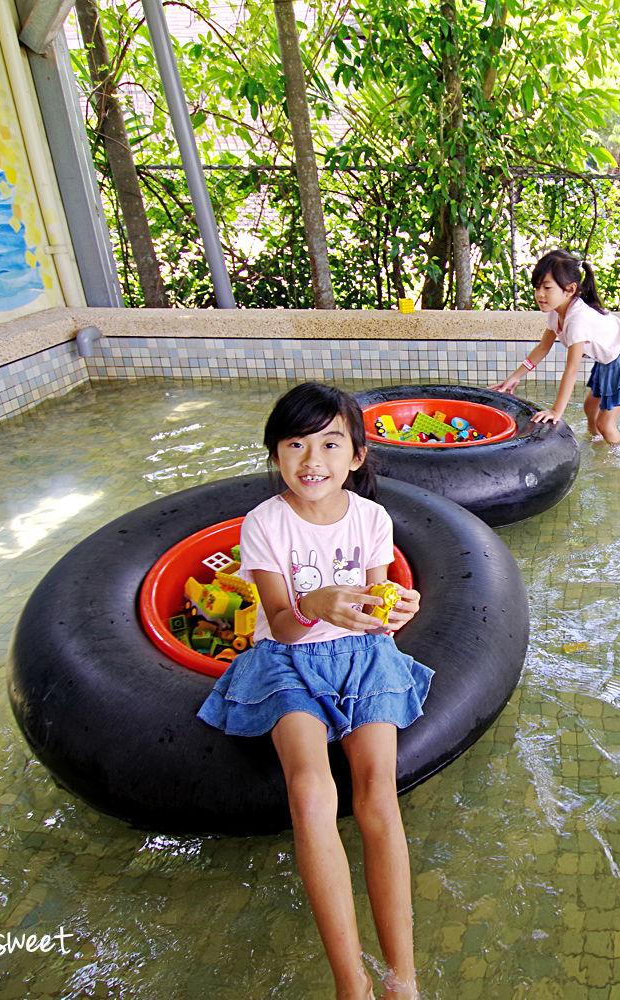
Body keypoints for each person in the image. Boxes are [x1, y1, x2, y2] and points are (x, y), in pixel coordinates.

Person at [197, 382, 431, 1000]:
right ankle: (349, 982)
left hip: (362, 657)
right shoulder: (264, 523)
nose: (312, 460)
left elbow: (376, 606)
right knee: (310, 791)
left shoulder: (372, 518)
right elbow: (277, 619)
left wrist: (397, 609)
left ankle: (401, 979)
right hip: (287, 659)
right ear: (276, 454)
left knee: (378, 792)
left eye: (330, 443)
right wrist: (314, 602)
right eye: (295, 444)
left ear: (356, 455)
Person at [491, 249, 620, 445]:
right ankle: (598, 446)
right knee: (589, 409)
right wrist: (514, 377)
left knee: (605, 423)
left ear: (569, 289)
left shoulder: (577, 319)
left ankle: (615, 464)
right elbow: (542, 349)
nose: (539, 294)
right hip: (608, 357)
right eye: (537, 287)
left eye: (547, 288)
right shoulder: (556, 310)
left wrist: (556, 412)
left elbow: (572, 370)